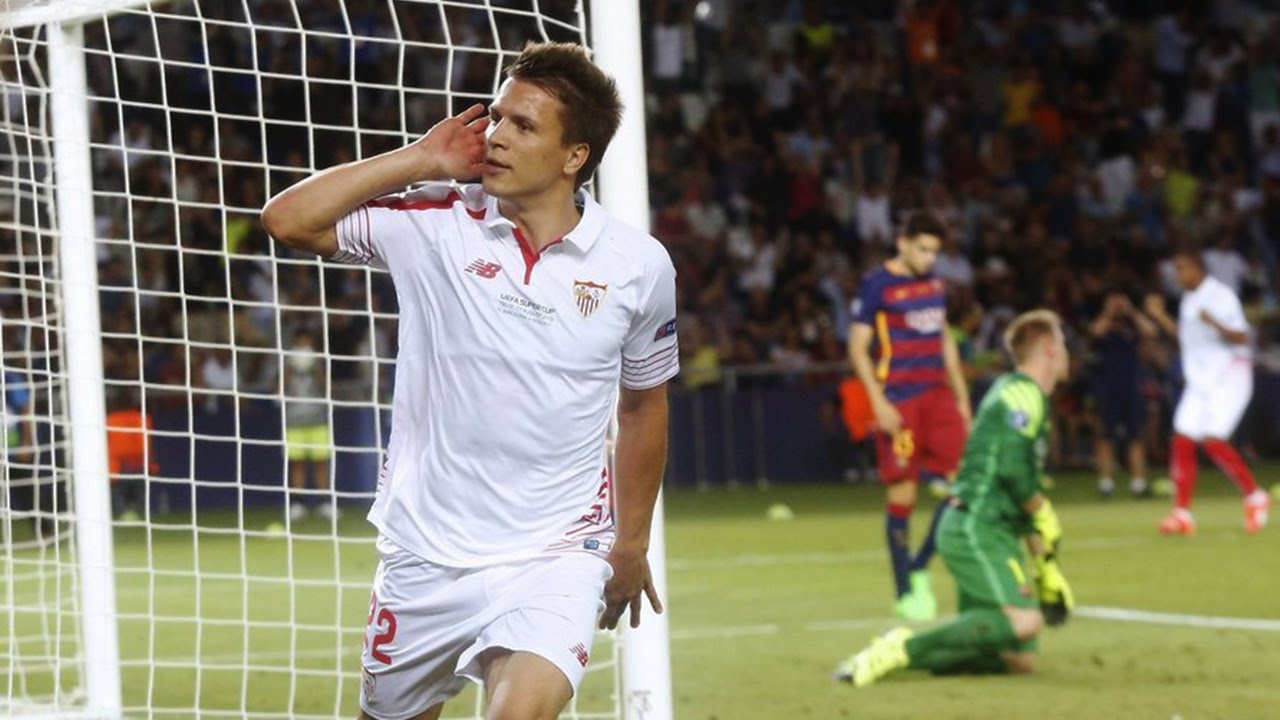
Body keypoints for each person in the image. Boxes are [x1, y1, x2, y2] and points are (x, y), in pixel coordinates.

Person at [261, 42, 675, 720]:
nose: (497, 136)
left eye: (524, 125)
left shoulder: (638, 266)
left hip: (555, 553)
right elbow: (287, 221)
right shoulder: (436, 221)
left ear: (575, 156)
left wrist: (631, 541)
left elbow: (643, 404)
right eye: (498, 117)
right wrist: (420, 159)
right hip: (424, 555)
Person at [835, 309, 1075, 686]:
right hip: (975, 526)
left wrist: (1047, 566)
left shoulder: (1027, 396)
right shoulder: (1021, 396)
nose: (1068, 353)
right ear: (1048, 348)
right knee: (1025, 621)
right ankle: (903, 647)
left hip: (995, 531)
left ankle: (895, 655)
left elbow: (1019, 488)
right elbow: (1013, 472)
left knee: (1018, 658)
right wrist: (1042, 510)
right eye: (1063, 344)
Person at [847, 211, 971, 622]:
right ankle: (904, 590)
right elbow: (857, 348)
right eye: (923, 249)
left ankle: (919, 566)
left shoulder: (934, 284)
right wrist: (878, 403)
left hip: (938, 398)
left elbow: (944, 339)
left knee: (965, 486)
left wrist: (961, 398)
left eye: (935, 251)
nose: (929, 258)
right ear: (902, 243)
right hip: (900, 401)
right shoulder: (877, 285)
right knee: (904, 494)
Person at [1144, 247, 1271, 535]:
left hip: (1228, 375)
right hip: (1200, 380)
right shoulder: (1190, 299)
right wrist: (1160, 316)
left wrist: (1214, 322)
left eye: (1181, 269)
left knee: (1213, 440)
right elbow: (1187, 338)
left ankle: (1255, 497)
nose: (1177, 275)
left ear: (1197, 269)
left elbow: (1242, 336)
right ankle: (1182, 513)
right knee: (1183, 439)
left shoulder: (1220, 296)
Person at [1087, 290, 1157, 497]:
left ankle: (1138, 483)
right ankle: (1106, 483)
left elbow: (1151, 331)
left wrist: (1131, 311)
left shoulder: (1132, 324)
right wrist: (1109, 312)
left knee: (1135, 434)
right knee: (1106, 435)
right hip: (1108, 385)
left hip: (1131, 384)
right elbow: (1095, 332)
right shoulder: (1103, 322)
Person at [282, 327, 337, 522]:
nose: (304, 345)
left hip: (317, 419)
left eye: (307, 341)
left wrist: (316, 368)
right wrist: (290, 368)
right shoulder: (286, 362)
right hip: (294, 420)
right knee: (297, 463)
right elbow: (278, 388)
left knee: (320, 462)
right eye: (301, 342)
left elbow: (329, 388)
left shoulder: (319, 361)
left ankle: (325, 503)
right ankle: (298, 504)